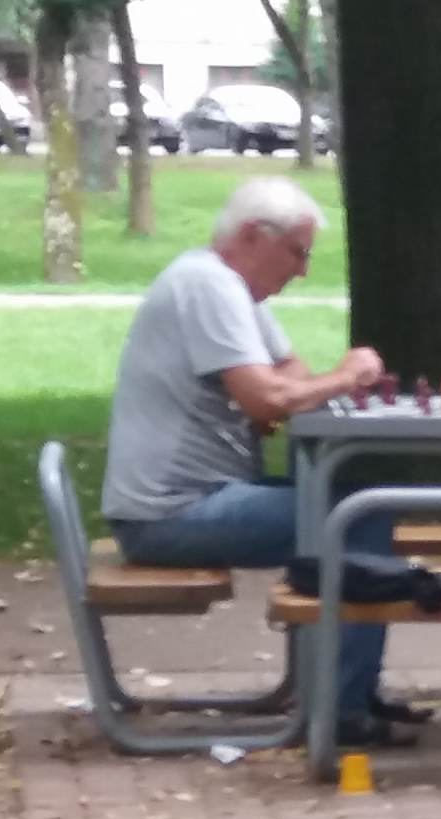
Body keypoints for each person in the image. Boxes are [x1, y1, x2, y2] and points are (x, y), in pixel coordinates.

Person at [101, 175, 413, 748]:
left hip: (194, 499)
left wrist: (305, 389)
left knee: (347, 500)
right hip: (169, 515)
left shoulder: (235, 290)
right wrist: (344, 377)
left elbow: (289, 375)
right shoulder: (208, 286)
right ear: (251, 236)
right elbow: (269, 398)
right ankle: (343, 709)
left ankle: (340, 689)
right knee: (358, 518)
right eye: (296, 252)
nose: (303, 270)